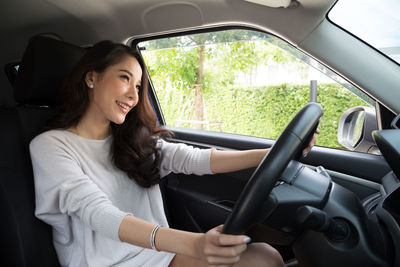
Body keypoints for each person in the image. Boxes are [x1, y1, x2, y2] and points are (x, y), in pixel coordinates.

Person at [30, 40, 315, 267]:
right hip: (109, 263)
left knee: (265, 257)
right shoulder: (51, 146)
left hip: (158, 257)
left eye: (139, 86)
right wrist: (195, 244)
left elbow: (197, 159)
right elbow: (99, 214)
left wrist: (275, 153)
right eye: (124, 78)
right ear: (92, 77)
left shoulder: (131, 140)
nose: (133, 94)